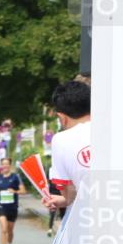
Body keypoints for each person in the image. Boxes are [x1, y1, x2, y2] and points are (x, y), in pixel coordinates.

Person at [45, 80, 91, 210]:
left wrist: (65, 200)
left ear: (62, 117)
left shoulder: (61, 140)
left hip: (85, 220)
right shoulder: (116, 130)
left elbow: (68, 193)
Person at [0, 157, 25, 244]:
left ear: (10, 165)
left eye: (7, 164)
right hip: (1, 206)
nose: (5, 166)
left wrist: (15, 191)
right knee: (3, 229)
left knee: (10, 230)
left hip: (12, 207)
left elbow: (23, 190)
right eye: (3, 164)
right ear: (1, 165)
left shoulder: (16, 177)